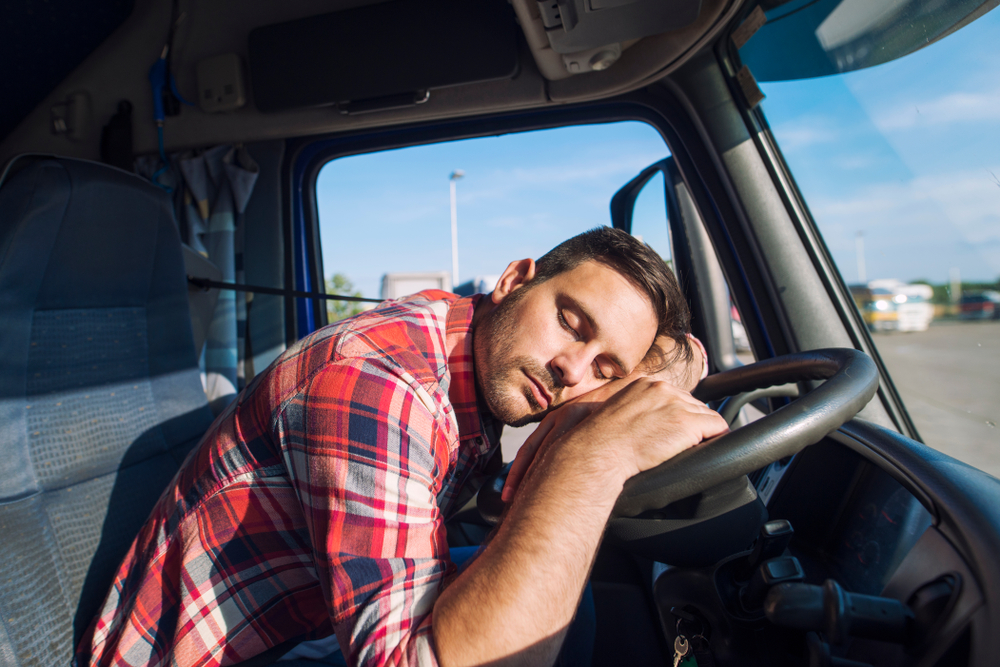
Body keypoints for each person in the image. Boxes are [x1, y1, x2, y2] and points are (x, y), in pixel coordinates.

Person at [76, 227, 726, 667]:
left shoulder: (465, 335)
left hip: (299, 620)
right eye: (569, 320)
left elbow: (686, 355)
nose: (572, 369)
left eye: (608, 369)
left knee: (569, 602)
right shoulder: (382, 387)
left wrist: (646, 380)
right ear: (514, 279)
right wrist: (592, 458)